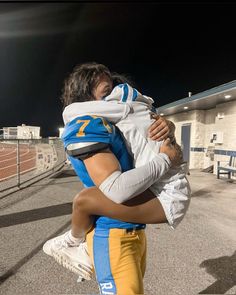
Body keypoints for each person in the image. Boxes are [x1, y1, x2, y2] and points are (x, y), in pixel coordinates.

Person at [43, 62, 188, 295]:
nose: (115, 94)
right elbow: (115, 189)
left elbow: (145, 138)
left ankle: (76, 244)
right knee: (84, 200)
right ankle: (72, 242)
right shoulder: (87, 124)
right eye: (106, 90)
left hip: (134, 230)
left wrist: (164, 127)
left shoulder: (113, 120)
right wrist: (165, 160)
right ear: (86, 95)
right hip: (112, 234)